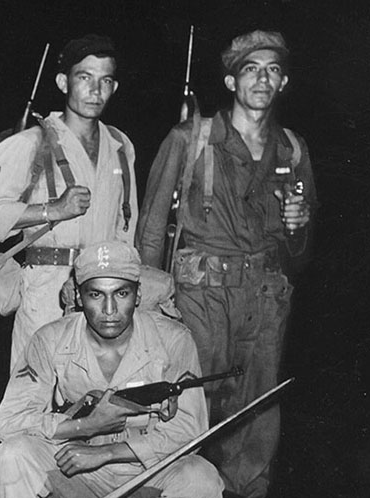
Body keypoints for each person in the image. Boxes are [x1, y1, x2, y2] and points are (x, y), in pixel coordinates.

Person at [135, 30, 314, 498]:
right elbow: (152, 227)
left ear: (284, 81)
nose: (262, 78)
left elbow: (299, 256)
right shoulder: (191, 139)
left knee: (256, 419)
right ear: (233, 81)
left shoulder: (293, 150)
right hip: (200, 301)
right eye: (252, 69)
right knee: (187, 405)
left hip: (264, 304)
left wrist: (297, 227)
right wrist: (146, 307)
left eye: (272, 70)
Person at [0, 241, 223, 498]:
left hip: (147, 470)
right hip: (77, 467)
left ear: (138, 295)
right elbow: (11, 422)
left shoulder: (174, 339)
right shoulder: (50, 339)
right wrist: (86, 426)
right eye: (96, 294)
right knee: (14, 455)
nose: (109, 310)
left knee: (200, 477)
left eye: (121, 293)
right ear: (79, 296)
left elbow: (190, 430)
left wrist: (107, 453)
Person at [0, 34, 138, 372]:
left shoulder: (121, 146)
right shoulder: (31, 143)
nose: (95, 90)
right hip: (46, 287)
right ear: (64, 82)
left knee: (97, 390)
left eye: (105, 81)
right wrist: (53, 210)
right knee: (35, 390)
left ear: (114, 87)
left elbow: (127, 226)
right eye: (84, 78)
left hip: (103, 289)